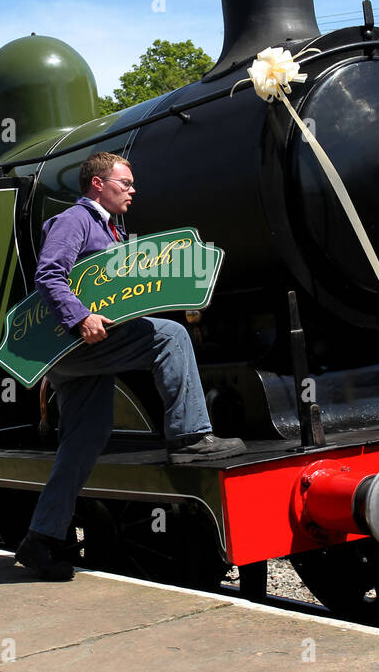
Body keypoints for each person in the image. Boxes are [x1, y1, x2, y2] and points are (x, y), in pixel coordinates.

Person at [14, 152, 245, 580]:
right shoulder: (76, 220)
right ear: (98, 185)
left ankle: (40, 540)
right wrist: (80, 317)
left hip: (80, 352)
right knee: (170, 337)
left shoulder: (110, 229)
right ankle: (191, 436)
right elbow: (49, 275)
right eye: (125, 182)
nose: (133, 189)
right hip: (78, 342)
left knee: (85, 440)